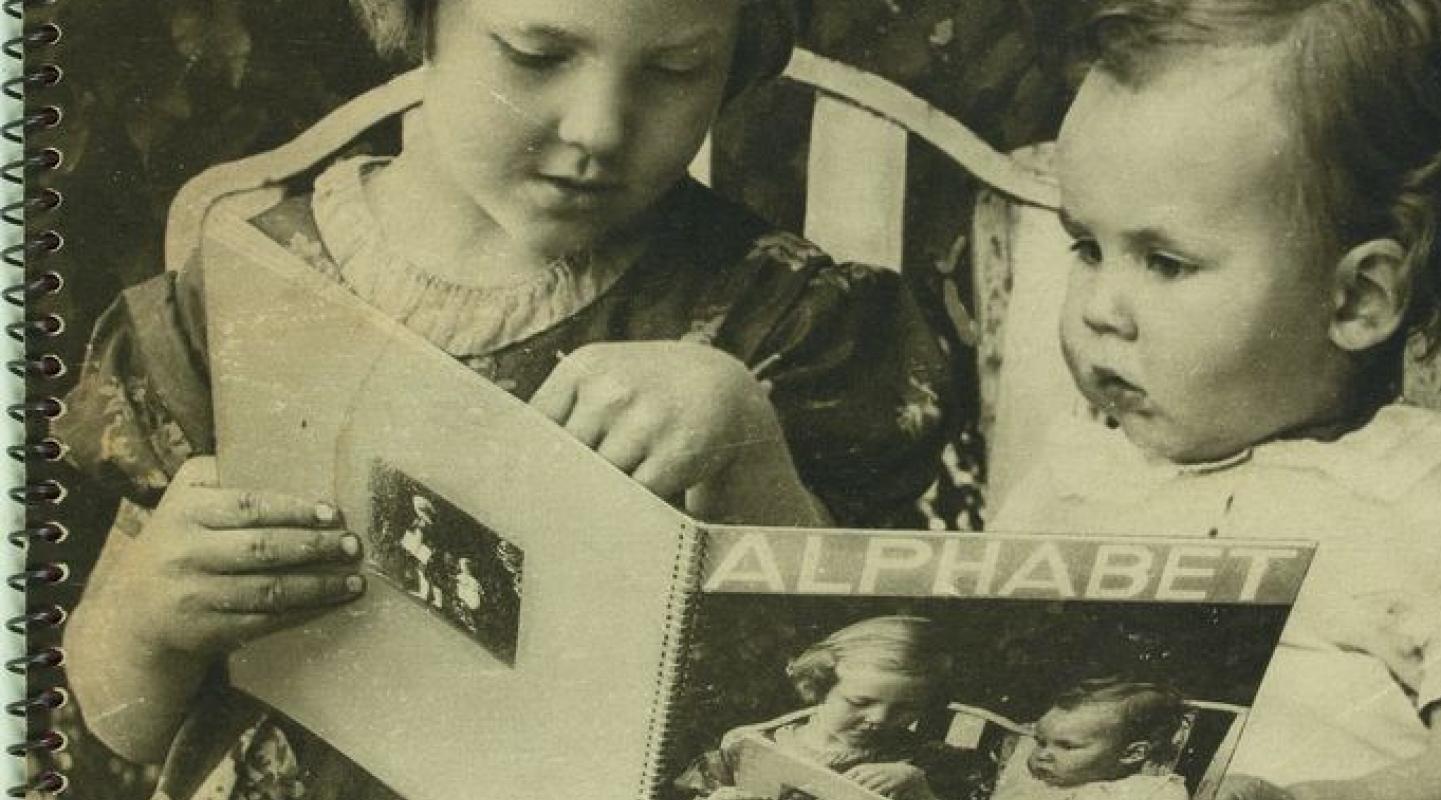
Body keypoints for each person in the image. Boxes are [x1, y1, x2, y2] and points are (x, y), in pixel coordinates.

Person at [57, 0, 954, 796]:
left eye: (677, 70)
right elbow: (120, 718)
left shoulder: (783, 323)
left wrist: (749, 454)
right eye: (534, 54)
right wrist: (151, 615)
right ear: (417, 18)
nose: (600, 127)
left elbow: (848, 691)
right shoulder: (249, 295)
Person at [989, 1, 1441, 799]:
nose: (1099, 307)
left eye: (1164, 262)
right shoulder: (1074, 483)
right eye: (1086, 248)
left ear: (1358, 299)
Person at [675, 616, 989, 800]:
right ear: (820, 686)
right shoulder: (747, 749)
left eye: (907, 708)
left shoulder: (926, 765)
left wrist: (921, 792)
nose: (878, 719)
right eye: (859, 702)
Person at [991, 677, 1189, 800]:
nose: (1042, 755)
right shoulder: (1033, 786)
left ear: (1132, 753)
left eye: (1066, 746)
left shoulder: (1149, 794)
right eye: (1041, 742)